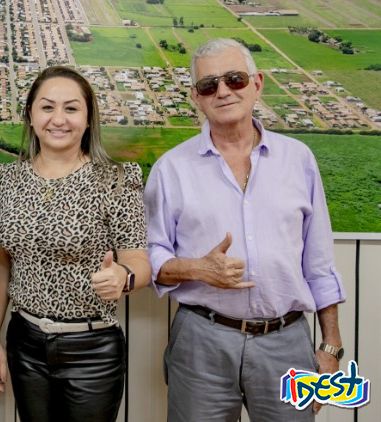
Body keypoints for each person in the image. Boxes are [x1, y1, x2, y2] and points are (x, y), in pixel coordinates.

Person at [144, 38, 346, 421]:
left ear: (257, 84)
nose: (222, 91)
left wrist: (331, 345)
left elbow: (318, 262)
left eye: (234, 79)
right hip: (201, 338)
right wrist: (195, 269)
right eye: (209, 85)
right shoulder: (171, 169)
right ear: (197, 98)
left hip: (287, 343)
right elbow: (150, 252)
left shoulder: (298, 159)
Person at [0, 65, 150, 422]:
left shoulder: (115, 179)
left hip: (92, 349)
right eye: (47, 107)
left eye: (71, 108)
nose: (59, 119)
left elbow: (139, 262)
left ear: (89, 119)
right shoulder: (7, 180)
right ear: (30, 115)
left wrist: (123, 277)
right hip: (24, 342)